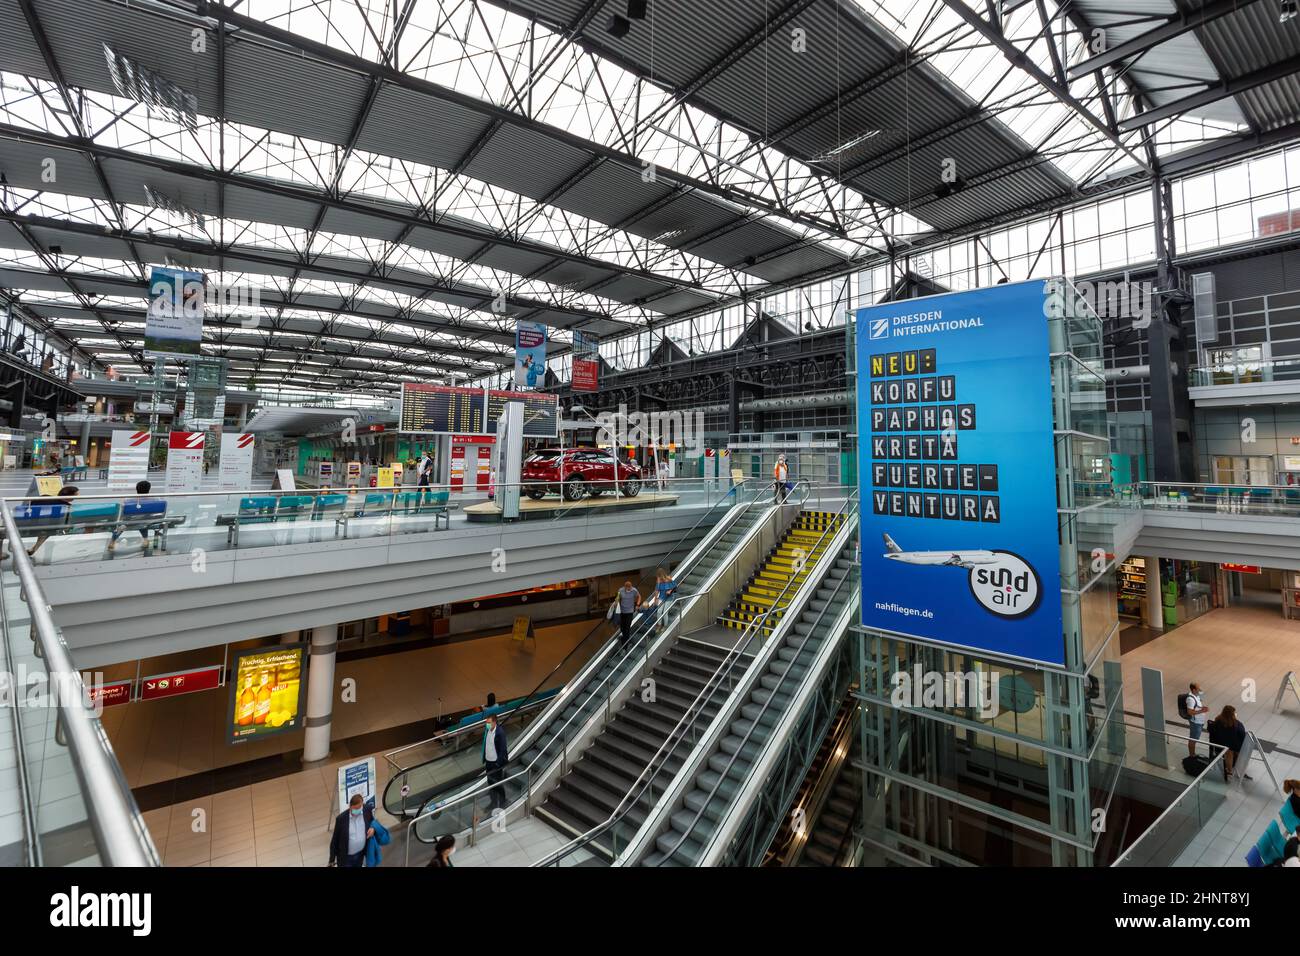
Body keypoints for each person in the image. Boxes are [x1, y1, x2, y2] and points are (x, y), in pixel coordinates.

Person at [27, 484, 78, 559]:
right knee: (49, 529)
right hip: (46, 527)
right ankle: (34, 548)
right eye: (75, 496)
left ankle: (34, 549)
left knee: (46, 528)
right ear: (70, 497)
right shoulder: (66, 507)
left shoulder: (44, 497)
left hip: (27, 524)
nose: (76, 498)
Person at [107, 480, 158, 555]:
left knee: (122, 525)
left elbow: (122, 516)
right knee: (143, 522)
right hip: (145, 522)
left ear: (137, 489)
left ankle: (112, 542)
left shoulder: (128, 500)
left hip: (128, 523)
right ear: (149, 489)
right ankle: (145, 540)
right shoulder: (154, 500)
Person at [328, 793, 375, 868]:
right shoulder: (341, 819)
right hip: (346, 858)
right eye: (354, 809)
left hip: (360, 854)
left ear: (362, 805)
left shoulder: (367, 810)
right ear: (350, 807)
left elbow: (373, 822)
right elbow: (334, 840)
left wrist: (373, 828)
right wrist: (331, 860)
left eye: (359, 808)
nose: (357, 811)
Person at [1207, 705, 1249, 780]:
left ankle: (1229, 772)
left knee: (1229, 751)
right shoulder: (1236, 724)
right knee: (1235, 752)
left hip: (1219, 745)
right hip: (1232, 746)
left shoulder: (1218, 720)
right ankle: (1240, 770)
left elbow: (1212, 730)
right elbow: (1242, 734)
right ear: (1232, 714)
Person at [482, 712, 509, 815]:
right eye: (486, 722)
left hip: (496, 764)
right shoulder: (488, 730)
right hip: (488, 762)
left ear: (494, 722)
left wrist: (498, 764)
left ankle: (502, 802)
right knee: (490, 783)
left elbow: (502, 750)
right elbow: (487, 745)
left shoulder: (500, 733)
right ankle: (493, 802)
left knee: (497, 783)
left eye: (488, 722)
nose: (487, 724)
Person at [1182, 682, 1209, 758]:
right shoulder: (1191, 699)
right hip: (1195, 723)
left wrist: (1202, 708)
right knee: (1193, 739)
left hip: (1199, 721)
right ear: (1193, 690)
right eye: (1198, 688)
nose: (1200, 689)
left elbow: (1197, 705)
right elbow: (1190, 712)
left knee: (1195, 738)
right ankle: (1192, 755)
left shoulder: (1196, 695)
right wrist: (1202, 711)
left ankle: (1192, 754)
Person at [616, 579, 641, 645]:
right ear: (625, 587)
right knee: (622, 626)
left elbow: (639, 596)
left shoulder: (634, 590)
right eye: (627, 588)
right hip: (622, 611)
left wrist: (638, 605)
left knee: (627, 627)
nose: (629, 589)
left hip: (630, 612)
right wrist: (616, 603)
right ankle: (625, 637)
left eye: (630, 588)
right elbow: (618, 598)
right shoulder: (620, 590)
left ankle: (625, 643)